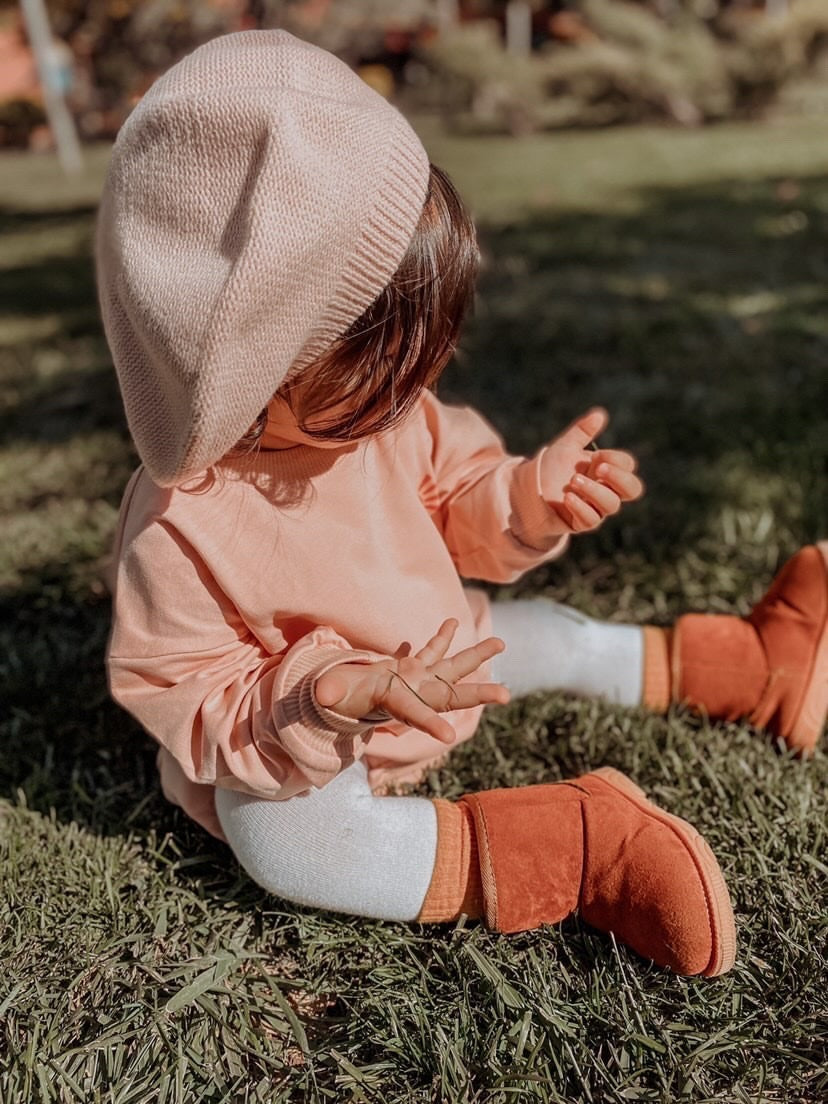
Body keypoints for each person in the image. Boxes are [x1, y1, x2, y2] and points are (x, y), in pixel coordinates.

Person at [97, 31, 826, 980]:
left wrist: (526, 498)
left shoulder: (394, 418)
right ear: (243, 370)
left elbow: (457, 501)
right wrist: (322, 695)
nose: (421, 389)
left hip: (443, 652)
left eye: (426, 358)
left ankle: (749, 667)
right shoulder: (180, 526)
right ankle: (573, 847)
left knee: (543, 637)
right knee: (287, 849)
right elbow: (189, 683)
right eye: (385, 370)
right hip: (299, 753)